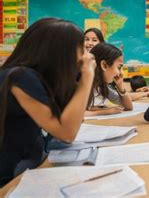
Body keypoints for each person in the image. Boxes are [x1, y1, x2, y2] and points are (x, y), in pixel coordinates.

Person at [0, 18, 95, 186]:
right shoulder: (20, 77)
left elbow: (74, 120)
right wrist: (87, 77)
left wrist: (77, 79)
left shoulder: (36, 76)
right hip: (9, 177)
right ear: (61, 53)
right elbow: (66, 133)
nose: (85, 56)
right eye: (81, 49)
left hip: (30, 162)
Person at [87, 43, 133, 116]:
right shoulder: (82, 84)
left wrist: (120, 86)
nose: (121, 73)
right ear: (104, 65)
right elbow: (75, 113)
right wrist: (104, 111)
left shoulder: (101, 86)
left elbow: (128, 106)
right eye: (119, 67)